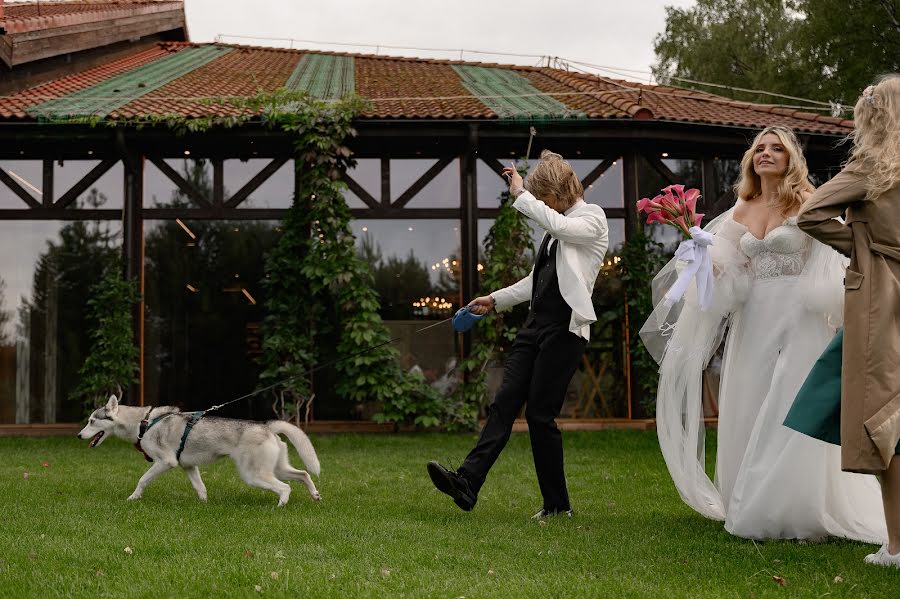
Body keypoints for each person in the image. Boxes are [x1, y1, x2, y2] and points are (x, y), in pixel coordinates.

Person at [644, 126, 887, 541]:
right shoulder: (742, 206)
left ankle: (800, 503)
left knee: (791, 402)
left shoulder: (810, 201)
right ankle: (752, 494)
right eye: (760, 148)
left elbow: (830, 263)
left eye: (777, 148)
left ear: (791, 158)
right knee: (753, 398)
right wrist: (705, 256)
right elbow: (732, 273)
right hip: (754, 317)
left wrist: (835, 310)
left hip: (800, 315)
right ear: (751, 159)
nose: (767, 154)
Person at [427, 150, 608, 519]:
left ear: (559, 191)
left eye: (545, 198)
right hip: (535, 327)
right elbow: (535, 281)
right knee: (505, 402)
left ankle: (557, 506)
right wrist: (493, 299)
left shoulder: (592, 219)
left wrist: (522, 195)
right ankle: (467, 482)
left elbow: (560, 226)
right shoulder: (553, 233)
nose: (541, 204)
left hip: (565, 330)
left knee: (540, 416)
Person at [787, 75, 900, 567]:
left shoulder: (872, 166)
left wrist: (859, 246)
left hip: (882, 295)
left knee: (883, 420)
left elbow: (810, 212)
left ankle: (897, 545)